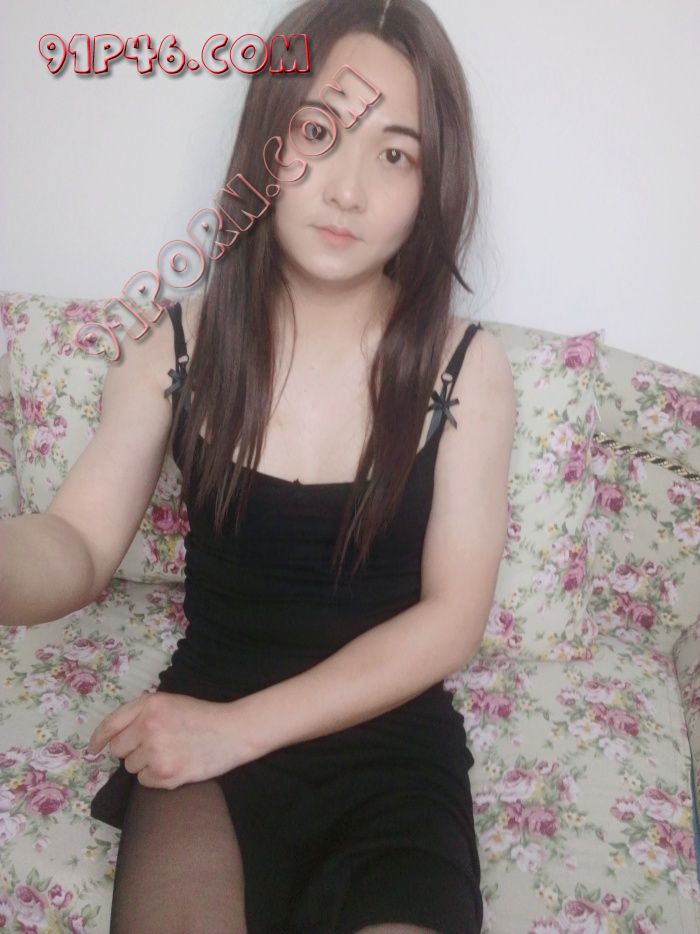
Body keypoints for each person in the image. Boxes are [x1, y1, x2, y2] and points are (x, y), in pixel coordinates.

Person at [0, 0, 516, 931]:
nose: (347, 190)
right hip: (202, 736)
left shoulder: (465, 368)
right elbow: (76, 542)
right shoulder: (172, 347)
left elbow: (452, 620)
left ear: (432, 183)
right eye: (318, 132)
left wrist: (234, 730)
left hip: (388, 749)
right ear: (268, 143)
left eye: (395, 155)